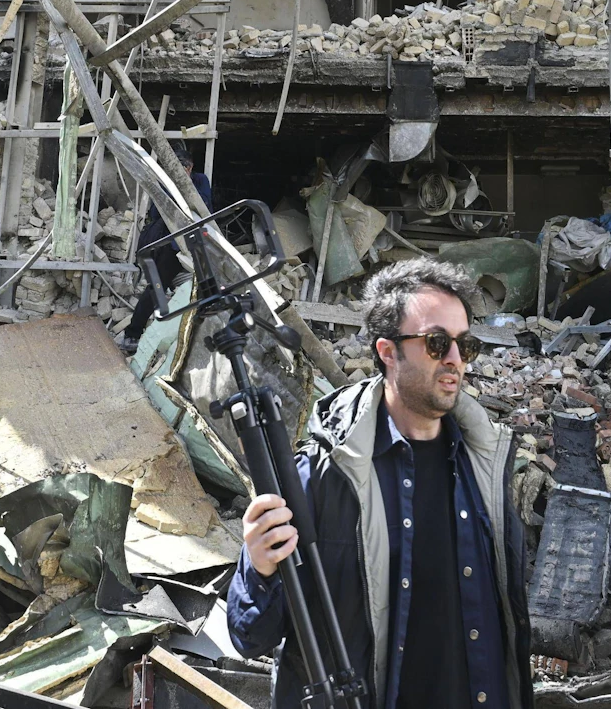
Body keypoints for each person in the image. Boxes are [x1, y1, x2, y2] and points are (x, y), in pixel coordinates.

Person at [227, 257, 532, 709]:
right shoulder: (325, 476)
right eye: (436, 342)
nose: (454, 360)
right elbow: (251, 638)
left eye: (464, 345)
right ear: (388, 352)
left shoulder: (486, 466)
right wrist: (259, 567)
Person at [120, 140, 211, 350]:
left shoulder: (199, 180)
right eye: (175, 170)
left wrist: (185, 190)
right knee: (156, 289)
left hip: (193, 244)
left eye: (184, 169)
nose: (181, 173)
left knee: (203, 289)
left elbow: (204, 206)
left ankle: (194, 339)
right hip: (170, 246)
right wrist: (173, 191)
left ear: (190, 167)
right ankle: (133, 334)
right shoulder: (165, 183)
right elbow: (155, 213)